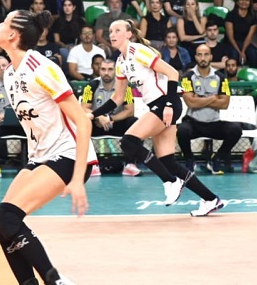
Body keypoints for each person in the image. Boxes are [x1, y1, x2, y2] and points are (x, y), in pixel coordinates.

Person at [0, 10, 96, 285]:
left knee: (8, 217)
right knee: (0, 221)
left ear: (12, 35)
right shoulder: (10, 73)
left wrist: (77, 179)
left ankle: (55, 281)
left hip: (68, 155)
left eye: (4, 23)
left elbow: (83, 123)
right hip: (41, 155)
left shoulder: (43, 69)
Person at [92, 19, 223, 217]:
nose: (112, 34)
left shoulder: (139, 51)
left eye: (117, 30)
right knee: (168, 161)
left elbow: (172, 72)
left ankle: (170, 182)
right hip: (157, 106)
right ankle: (210, 199)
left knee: (128, 142)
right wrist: (93, 114)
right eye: (110, 30)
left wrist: (169, 104)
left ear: (128, 34)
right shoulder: (120, 62)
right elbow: (117, 97)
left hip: (166, 103)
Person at [177, 44, 243, 174]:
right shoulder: (187, 77)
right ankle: (190, 160)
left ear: (211, 57)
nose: (203, 58)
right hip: (193, 122)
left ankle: (216, 160)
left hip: (214, 123)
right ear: (195, 57)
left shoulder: (222, 78)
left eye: (206, 54)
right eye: (200, 54)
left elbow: (225, 104)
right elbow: (191, 103)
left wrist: (199, 98)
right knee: (182, 131)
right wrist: (213, 98)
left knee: (235, 130)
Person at [81, 59, 140, 176]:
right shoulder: (91, 86)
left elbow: (129, 111)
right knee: (83, 122)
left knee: (134, 122)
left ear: (115, 71)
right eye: (103, 69)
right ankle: (92, 165)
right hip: (97, 124)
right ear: (99, 70)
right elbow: (84, 107)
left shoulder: (125, 86)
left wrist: (110, 118)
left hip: (116, 123)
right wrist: (99, 117)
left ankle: (130, 164)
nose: (106, 73)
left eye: (110, 69)